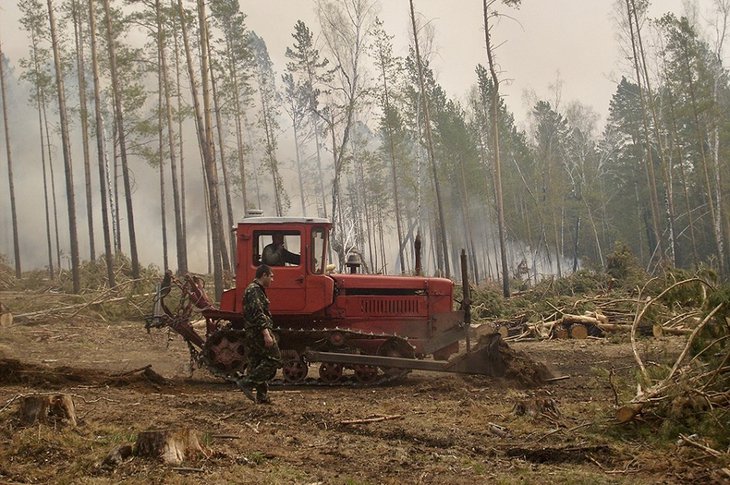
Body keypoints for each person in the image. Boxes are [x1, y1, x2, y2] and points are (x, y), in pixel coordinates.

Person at [236, 264, 281, 404]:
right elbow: (258, 313)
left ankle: (262, 397)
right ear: (264, 275)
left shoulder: (256, 290)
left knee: (257, 362)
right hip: (258, 332)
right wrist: (266, 333)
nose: (272, 280)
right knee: (274, 359)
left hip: (254, 331)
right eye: (271, 276)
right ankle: (247, 383)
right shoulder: (254, 290)